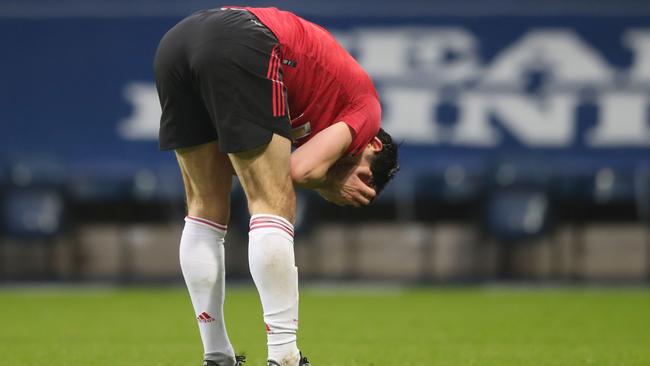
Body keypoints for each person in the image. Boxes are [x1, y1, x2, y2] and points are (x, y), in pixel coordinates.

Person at [153, 6, 399, 366]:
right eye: (363, 177)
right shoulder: (368, 112)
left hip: (178, 42)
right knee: (274, 201)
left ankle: (217, 355)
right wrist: (331, 184)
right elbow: (298, 171)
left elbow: (238, 163)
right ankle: (284, 356)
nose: (351, 186)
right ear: (374, 146)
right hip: (244, 39)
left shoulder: (322, 111)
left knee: (205, 208)